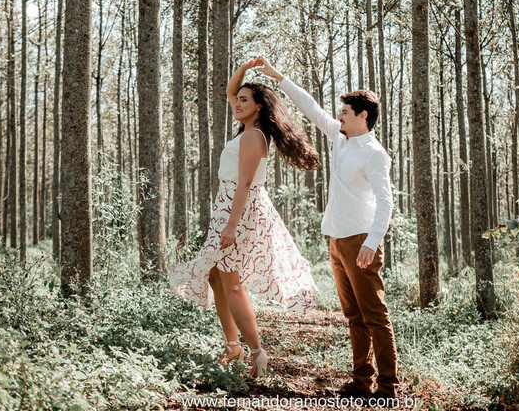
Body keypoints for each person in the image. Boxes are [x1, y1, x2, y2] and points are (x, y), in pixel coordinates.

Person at [254, 56, 399, 401]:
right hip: (336, 238)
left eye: (346, 113)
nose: (339, 117)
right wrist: (279, 77)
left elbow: (386, 202)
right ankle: (362, 383)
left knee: (375, 315)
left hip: (361, 240)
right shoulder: (340, 137)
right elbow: (311, 107)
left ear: (363, 116)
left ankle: (388, 388)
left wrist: (373, 241)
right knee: (353, 315)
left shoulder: (375, 154)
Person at [167, 57, 321, 378]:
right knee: (214, 276)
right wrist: (245, 69)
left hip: (239, 209)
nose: (237, 102)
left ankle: (257, 353)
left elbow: (245, 184)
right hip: (230, 204)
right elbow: (230, 90)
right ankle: (233, 346)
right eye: (237, 99)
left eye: (244, 100)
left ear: (259, 107)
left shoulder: (253, 137)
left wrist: (232, 224)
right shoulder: (248, 129)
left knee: (232, 284)